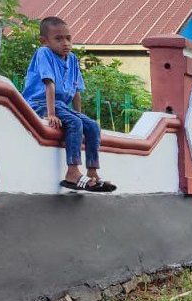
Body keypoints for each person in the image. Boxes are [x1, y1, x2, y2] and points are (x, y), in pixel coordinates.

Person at [21, 17, 115, 192]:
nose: (65, 43)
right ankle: (72, 172)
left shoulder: (72, 59)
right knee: (74, 122)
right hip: (40, 103)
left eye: (68, 38)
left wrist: (79, 114)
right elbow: (49, 84)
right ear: (44, 41)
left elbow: (76, 90)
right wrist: (51, 114)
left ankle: (93, 172)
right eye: (58, 39)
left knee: (92, 126)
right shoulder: (44, 53)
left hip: (61, 106)